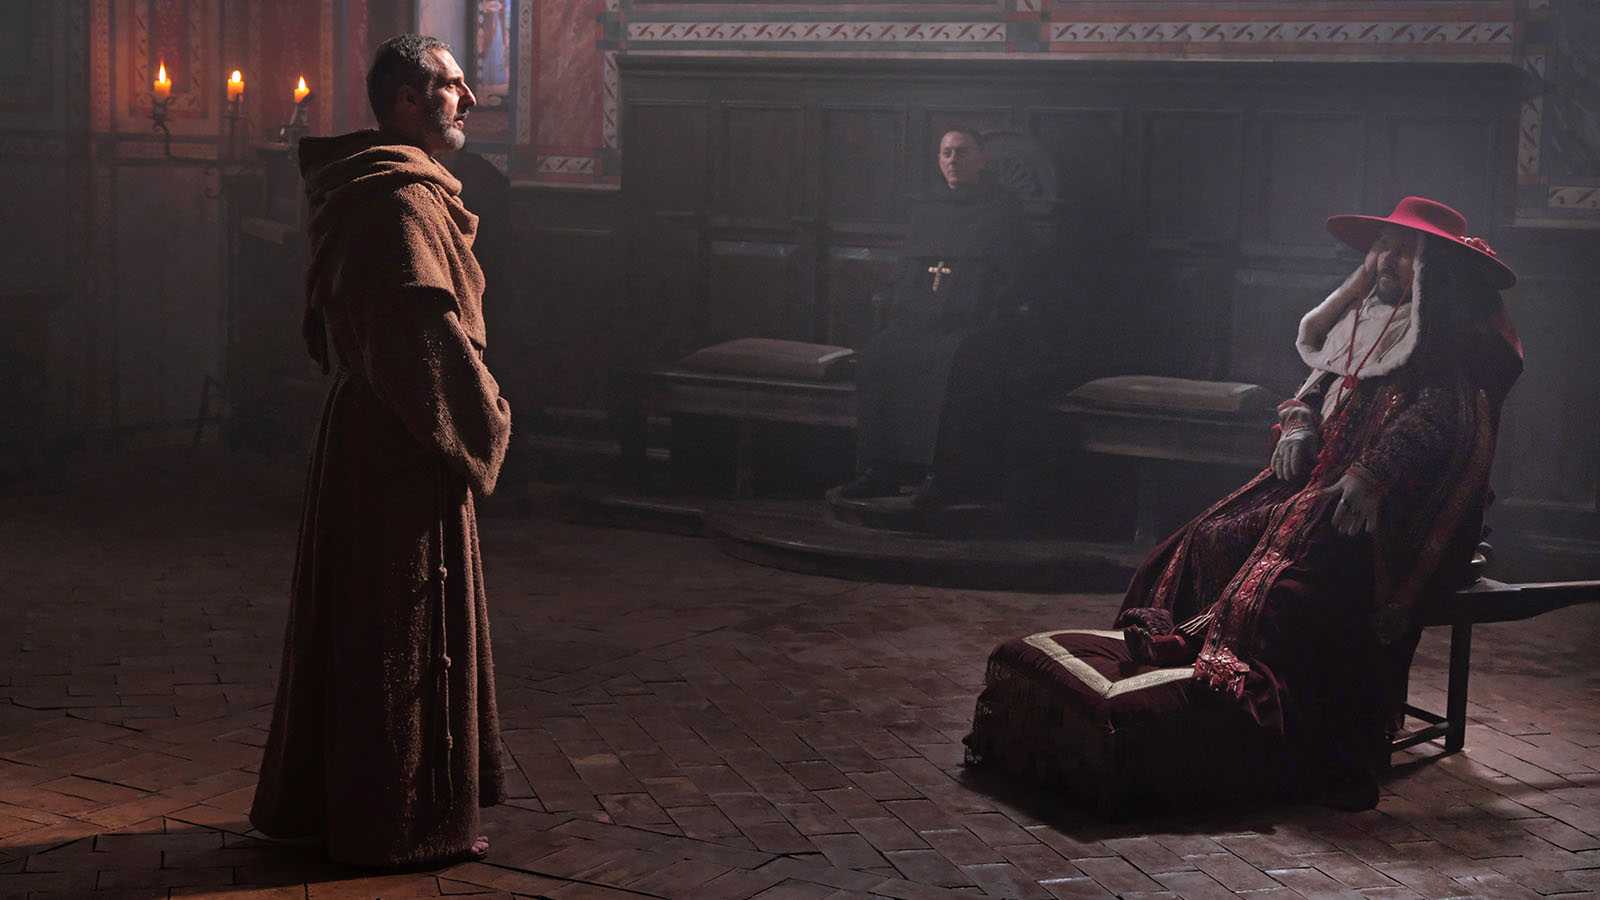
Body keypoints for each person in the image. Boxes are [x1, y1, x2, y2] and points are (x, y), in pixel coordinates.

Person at [1116, 196, 1523, 809]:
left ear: (1433, 268)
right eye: (1380, 248)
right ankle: (1189, 673)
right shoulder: (1362, 319)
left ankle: (1289, 738)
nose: (1384, 261)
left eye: (1403, 252)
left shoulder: (1450, 339)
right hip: (1320, 486)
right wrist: (1299, 425)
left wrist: (1373, 474)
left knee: (1297, 585)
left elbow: (1447, 424)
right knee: (1209, 536)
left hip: (1400, 510)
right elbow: (1311, 391)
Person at [249, 34, 511, 867]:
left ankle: (356, 810)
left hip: (385, 432)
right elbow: (419, 341)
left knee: (371, 625)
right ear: (405, 98)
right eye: (451, 85)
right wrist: (487, 416)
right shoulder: (394, 202)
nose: (468, 99)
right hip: (398, 442)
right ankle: (394, 823)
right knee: (393, 630)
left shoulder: (387, 188)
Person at [837, 128, 1031, 508]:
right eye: (946, 153)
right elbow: (907, 272)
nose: (953, 160)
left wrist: (985, 310)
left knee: (953, 362)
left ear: (982, 160)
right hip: (921, 321)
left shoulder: (1003, 211)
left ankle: (946, 476)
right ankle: (882, 469)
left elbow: (1015, 275)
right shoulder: (927, 208)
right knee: (880, 354)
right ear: (939, 160)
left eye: (962, 152)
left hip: (975, 325)